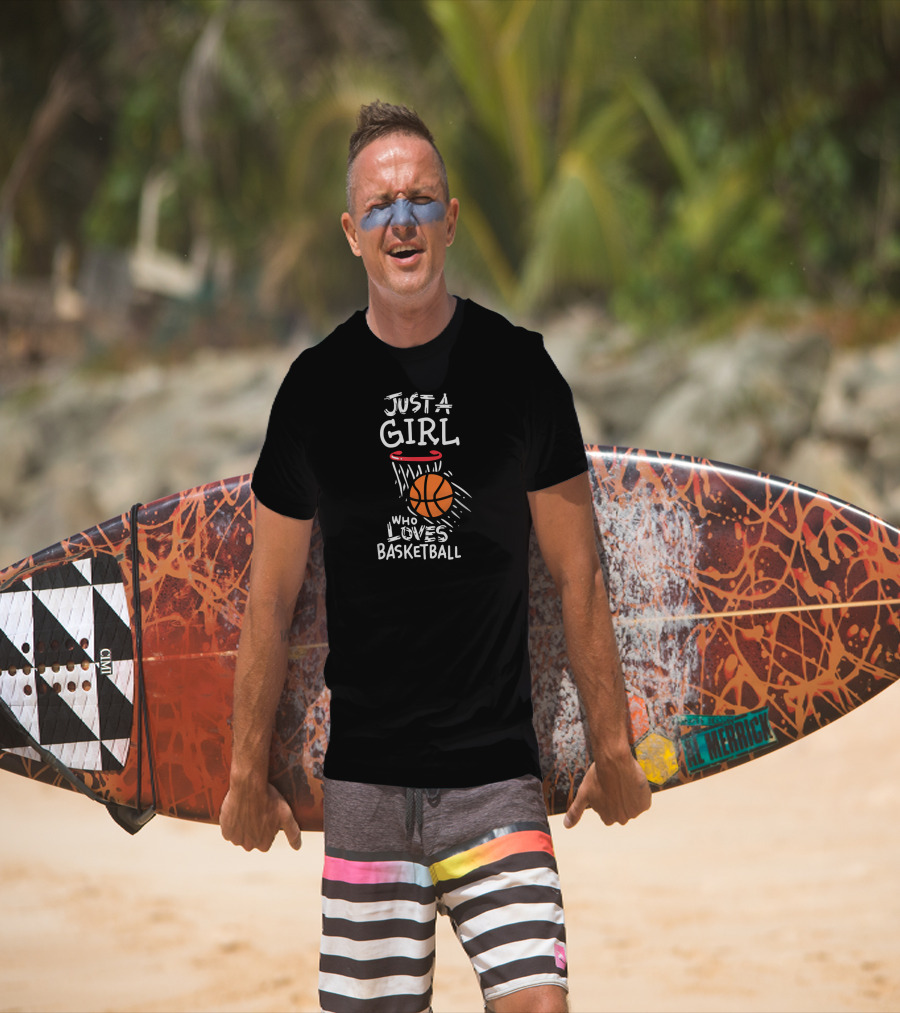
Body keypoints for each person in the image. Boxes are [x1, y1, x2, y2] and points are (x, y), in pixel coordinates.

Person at [220, 100, 651, 1013]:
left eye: (421, 200)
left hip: (496, 780)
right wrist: (242, 772)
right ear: (351, 233)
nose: (402, 220)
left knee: (540, 1003)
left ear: (451, 219)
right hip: (367, 787)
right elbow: (270, 600)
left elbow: (579, 575)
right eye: (380, 206)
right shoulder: (313, 390)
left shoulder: (522, 373)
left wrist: (612, 746)